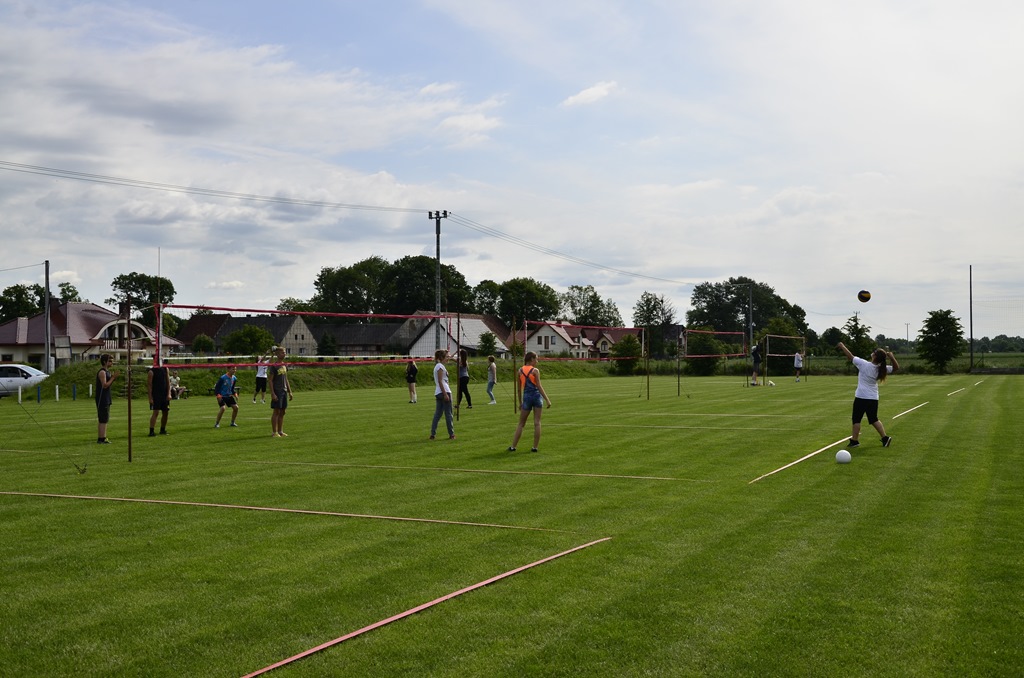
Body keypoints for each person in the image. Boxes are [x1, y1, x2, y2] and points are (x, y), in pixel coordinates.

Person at [837, 342, 899, 448]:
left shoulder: (863, 364)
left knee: (856, 419)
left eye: (874, 352)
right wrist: (892, 357)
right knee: (874, 419)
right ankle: (885, 438)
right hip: (873, 398)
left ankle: (854, 441)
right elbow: (896, 368)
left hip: (861, 397)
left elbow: (850, 356)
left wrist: (843, 347)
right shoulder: (881, 368)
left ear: (874, 356)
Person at [508, 351, 552, 453]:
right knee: (537, 423)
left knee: (521, 424)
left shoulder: (520, 371)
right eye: (536, 359)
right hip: (536, 397)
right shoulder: (535, 371)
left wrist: (520, 402)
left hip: (526, 397)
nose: (537, 361)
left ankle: (513, 446)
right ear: (531, 359)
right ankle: (535, 447)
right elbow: (539, 386)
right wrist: (547, 400)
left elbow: (519, 389)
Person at [429, 348, 455, 440]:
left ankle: (433, 434)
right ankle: (451, 434)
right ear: (441, 358)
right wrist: (445, 394)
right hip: (444, 391)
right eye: (446, 357)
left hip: (438, 392)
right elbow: (440, 381)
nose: (447, 359)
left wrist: (449, 353)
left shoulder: (438, 366)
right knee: (448, 414)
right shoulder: (440, 366)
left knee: (437, 414)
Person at [268, 346, 292, 437]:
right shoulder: (274, 366)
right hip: (277, 391)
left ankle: (280, 431)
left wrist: (290, 391)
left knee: (283, 412)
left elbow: (286, 379)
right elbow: (270, 380)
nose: (284, 354)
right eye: (282, 352)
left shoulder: (285, 365)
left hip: (284, 391)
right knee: (276, 411)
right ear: (277, 354)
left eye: (285, 352)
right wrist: (272, 393)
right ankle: (274, 432)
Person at [95, 353, 118, 444]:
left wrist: (112, 377)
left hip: (107, 397)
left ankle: (103, 437)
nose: (112, 363)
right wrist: (113, 378)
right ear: (105, 362)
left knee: (105, 418)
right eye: (110, 361)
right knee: (103, 418)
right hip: (102, 398)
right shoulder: (102, 372)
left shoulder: (107, 371)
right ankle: (101, 438)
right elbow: (105, 385)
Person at [147, 360, 171, 436]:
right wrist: (150, 398)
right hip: (156, 395)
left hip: (164, 394)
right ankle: (151, 431)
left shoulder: (165, 369)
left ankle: (163, 429)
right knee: (156, 412)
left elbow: (168, 382)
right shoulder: (151, 372)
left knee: (165, 412)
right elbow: (149, 386)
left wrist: (169, 393)